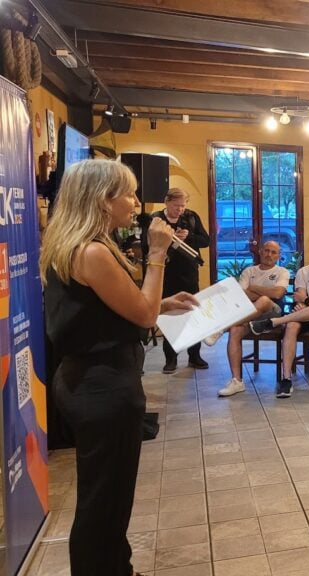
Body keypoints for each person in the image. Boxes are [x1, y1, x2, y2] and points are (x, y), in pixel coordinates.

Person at [41, 159, 199, 576]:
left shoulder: (79, 244)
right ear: (101, 199)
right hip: (102, 387)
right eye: (127, 193)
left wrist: (164, 303)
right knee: (103, 501)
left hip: (91, 380)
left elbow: (107, 311)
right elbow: (144, 316)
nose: (135, 202)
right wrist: (159, 253)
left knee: (109, 498)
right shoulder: (91, 251)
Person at [250, 237, 309, 398]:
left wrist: (307, 301)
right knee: (292, 326)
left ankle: (275, 322)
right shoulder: (304, 271)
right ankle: (286, 379)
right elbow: (298, 296)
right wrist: (303, 303)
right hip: (305, 314)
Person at [207, 241, 290, 397]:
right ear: (260, 251)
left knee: (265, 300)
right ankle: (237, 381)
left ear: (279, 255)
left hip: (273, 315)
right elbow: (240, 295)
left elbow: (278, 294)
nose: (269, 255)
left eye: (273, 252)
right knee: (236, 329)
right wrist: (264, 292)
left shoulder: (282, 271)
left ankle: (221, 328)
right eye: (266, 251)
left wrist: (253, 288)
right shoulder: (249, 271)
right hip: (248, 315)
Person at [152, 187, 210, 374]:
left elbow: (205, 240)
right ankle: (171, 358)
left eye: (183, 206)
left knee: (193, 313)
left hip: (189, 272)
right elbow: (147, 244)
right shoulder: (157, 220)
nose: (180, 210)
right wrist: (168, 238)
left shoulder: (191, 217)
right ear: (167, 202)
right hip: (166, 272)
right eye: (176, 206)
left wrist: (189, 236)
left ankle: (194, 355)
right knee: (169, 316)